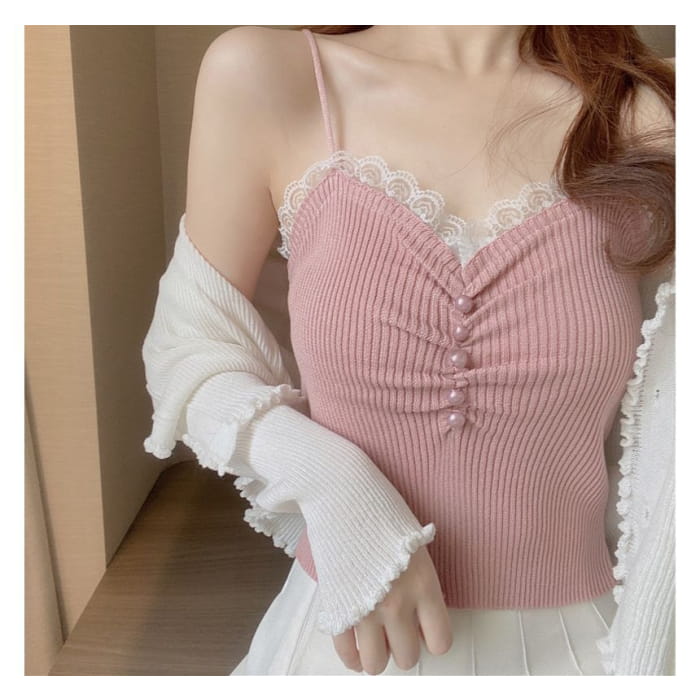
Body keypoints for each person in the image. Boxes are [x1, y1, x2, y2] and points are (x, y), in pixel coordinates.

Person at [141, 25, 675, 675]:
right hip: (342, 646)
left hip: (587, 652)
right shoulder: (271, 74)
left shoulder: (651, 111)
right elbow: (192, 348)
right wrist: (335, 485)